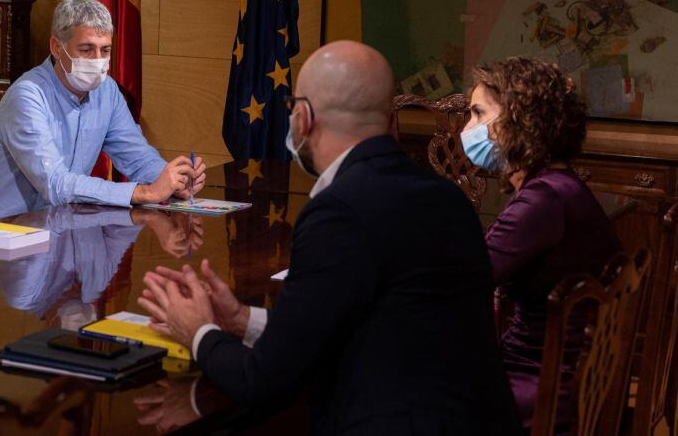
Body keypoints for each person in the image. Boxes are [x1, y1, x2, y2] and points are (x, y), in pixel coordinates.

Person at [138, 41, 518, 435]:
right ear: (391, 123)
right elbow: (365, 323)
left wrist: (199, 331)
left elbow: (263, 380)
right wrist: (240, 319)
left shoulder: (339, 212)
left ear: (302, 119)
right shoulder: (446, 197)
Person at [463, 56, 621, 431]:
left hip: (538, 381)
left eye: (477, 113)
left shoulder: (543, 199)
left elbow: (463, 278)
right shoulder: (558, 186)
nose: (467, 128)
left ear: (519, 120)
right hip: (563, 370)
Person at [0, 0, 206, 219]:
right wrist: (145, 193)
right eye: (87, 49)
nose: (98, 60)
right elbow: (56, 185)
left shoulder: (107, 91)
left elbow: (138, 158)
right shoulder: (27, 96)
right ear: (57, 48)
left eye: (105, 50)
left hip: (54, 229)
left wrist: (174, 180)